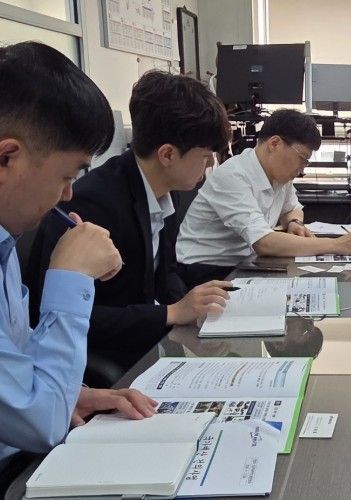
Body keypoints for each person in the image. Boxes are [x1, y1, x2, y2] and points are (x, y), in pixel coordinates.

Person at [0, 42, 154, 487]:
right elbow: (42, 424)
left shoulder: (6, 239)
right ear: (7, 158)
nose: (68, 195)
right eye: (66, 176)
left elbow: (19, 374)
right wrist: (70, 278)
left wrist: (73, 394)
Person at [29, 71, 234, 373]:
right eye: (205, 156)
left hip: (149, 343)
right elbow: (65, 314)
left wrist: (194, 307)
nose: (209, 165)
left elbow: (166, 273)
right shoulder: (92, 202)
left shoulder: (165, 191)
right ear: (168, 154)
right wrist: (171, 313)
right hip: (101, 359)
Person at [176, 109, 351, 286]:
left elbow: (292, 209)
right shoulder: (234, 175)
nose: (302, 169)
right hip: (206, 272)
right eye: (302, 159)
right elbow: (264, 243)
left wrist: (294, 223)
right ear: (274, 144)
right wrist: (336, 245)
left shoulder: (279, 175)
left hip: (245, 263)